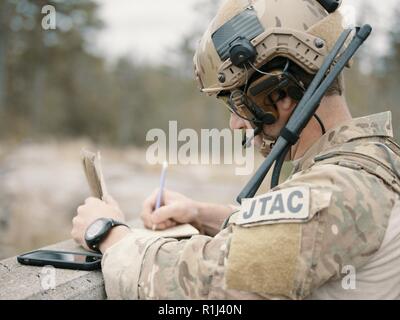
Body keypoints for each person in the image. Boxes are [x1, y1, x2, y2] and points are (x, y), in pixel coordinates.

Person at [71, 0, 400, 300]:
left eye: (236, 102)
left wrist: (109, 233)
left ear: (279, 94)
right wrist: (200, 214)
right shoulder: (373, 160)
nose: (234, 124)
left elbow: (206, 288)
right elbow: (301, 239)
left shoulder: (336, 189)